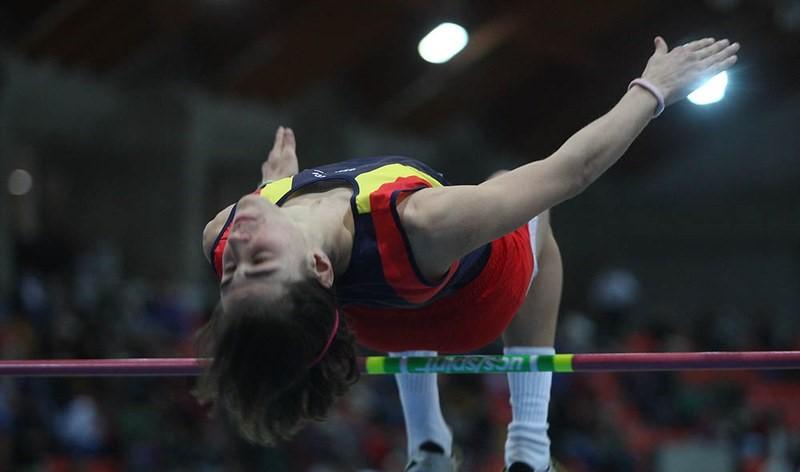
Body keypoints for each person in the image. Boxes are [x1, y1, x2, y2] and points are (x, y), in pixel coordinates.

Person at [194, 36, 739, 472]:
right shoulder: (427, 222)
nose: (238, 246)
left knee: (386, 287)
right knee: (525, 204)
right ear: (317, 267)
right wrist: (654, 89)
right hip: (481, 303)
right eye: (259, 261)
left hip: (381, 320)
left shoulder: (221, 234)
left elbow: (265, 269)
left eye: (230, 273)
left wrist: (278, 192)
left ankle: (428, 444)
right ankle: (528, 442)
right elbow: (570, 171)